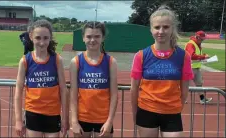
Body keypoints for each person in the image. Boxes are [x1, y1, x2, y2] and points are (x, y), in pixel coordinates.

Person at [130, 5, 194, 137]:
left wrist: (176, 107)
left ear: (172, 29)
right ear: (151, 29)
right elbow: (134, 88)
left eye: (166, 27)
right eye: (157, 27)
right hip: (146, 110)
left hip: (172, 112)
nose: (161, 31)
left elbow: (184, 90)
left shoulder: (183, 56)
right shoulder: (141, 55)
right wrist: (135, 113)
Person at [14, 19, 69, 137]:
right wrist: (18, 120)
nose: (42, 42)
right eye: (38, 38)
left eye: (46, 38)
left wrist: (65, 118)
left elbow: (64, 90)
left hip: (53, 113)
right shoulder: (25, 60)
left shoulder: (57, 60)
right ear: (31, 36)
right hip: (33, 113)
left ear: (50, 38)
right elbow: (18, 92)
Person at [69, 21, 118, 137]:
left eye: (97, 36)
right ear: (83, 38)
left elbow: (114, 94)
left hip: (103, 118)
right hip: (82, 117)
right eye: (89, 36)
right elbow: (73, 93)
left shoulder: (111, 62)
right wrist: (74, 121)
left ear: (103, 38)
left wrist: (110, 121)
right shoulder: (75, 62)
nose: (92, 40)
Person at [184, 30, 213, 104]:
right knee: (187, 84)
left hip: (196, 67)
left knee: (199, 83)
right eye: (202, 39)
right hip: (189, 67)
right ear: (197, 37)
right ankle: (181, 98)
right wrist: (203, 57)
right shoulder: (191, 44)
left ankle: (202, 99)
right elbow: (192, 55)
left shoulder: (197, 44)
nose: (203, 40)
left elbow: (196, 54)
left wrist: (204, 55)